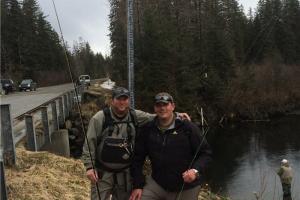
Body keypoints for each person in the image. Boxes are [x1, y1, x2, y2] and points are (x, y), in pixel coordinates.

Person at [81, 87, 190, 200]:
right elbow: (89, 143)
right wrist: (89, 167)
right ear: (112, 100)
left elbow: (155, 117)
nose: (122, 102)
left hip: (125, 174)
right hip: (102, 173)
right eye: (119, 99)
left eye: (125, 99)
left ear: (129, 100)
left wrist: (176, 114)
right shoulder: (99, 117)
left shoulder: (135, 115)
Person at [129, 92, 212, 200]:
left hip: (186, 187)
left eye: (165, 104)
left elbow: (206, 154)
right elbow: (137, 159)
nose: (162, 108)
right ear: (155, 108)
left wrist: (195, 171)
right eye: (159, 105)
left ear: (172, 106)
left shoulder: (188, 127)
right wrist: (138, 185)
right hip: (158, 184)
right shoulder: (147, 129)